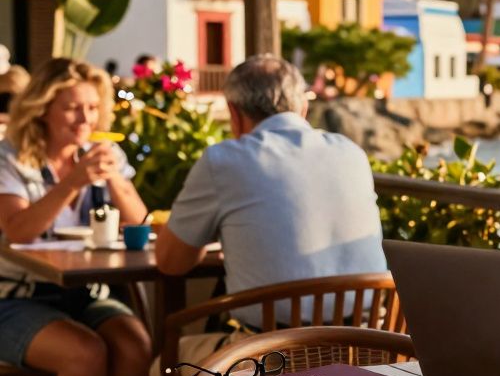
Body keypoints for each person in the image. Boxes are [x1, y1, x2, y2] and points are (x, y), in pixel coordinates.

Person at [0, 59, 151, 376]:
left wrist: (114, 181)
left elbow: (140, 223)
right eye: (71, 109)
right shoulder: (10, 157)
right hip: (15, 296)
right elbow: (18, 230)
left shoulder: (103, 156)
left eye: (91, 107)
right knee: (85, 354)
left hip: (83, 290)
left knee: (136, 347)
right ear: (44, 109)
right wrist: (71, 182)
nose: (85, 119)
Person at [156, 55, 387, 328]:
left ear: (233, 112)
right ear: (302, 107)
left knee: (167, 362)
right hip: (367, 347)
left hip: (272, 355)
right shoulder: (350, 152)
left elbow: (171, 263)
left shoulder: (224, 161)